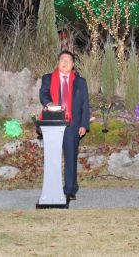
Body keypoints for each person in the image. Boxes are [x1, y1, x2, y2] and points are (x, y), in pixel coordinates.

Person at [40, 50, 90, 200]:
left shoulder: (80, 82)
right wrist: (50, 105)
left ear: (73, 65)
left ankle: (70, 190)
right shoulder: (48, 78)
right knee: (53, 157)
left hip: (72, 125)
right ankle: (52, 188)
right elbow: (43, 95)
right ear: (58, 62)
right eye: (62, 59)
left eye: (69, 60)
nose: (65, 62)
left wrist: (84, 124)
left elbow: (85, 104)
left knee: (70, 158)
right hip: (53, 123)